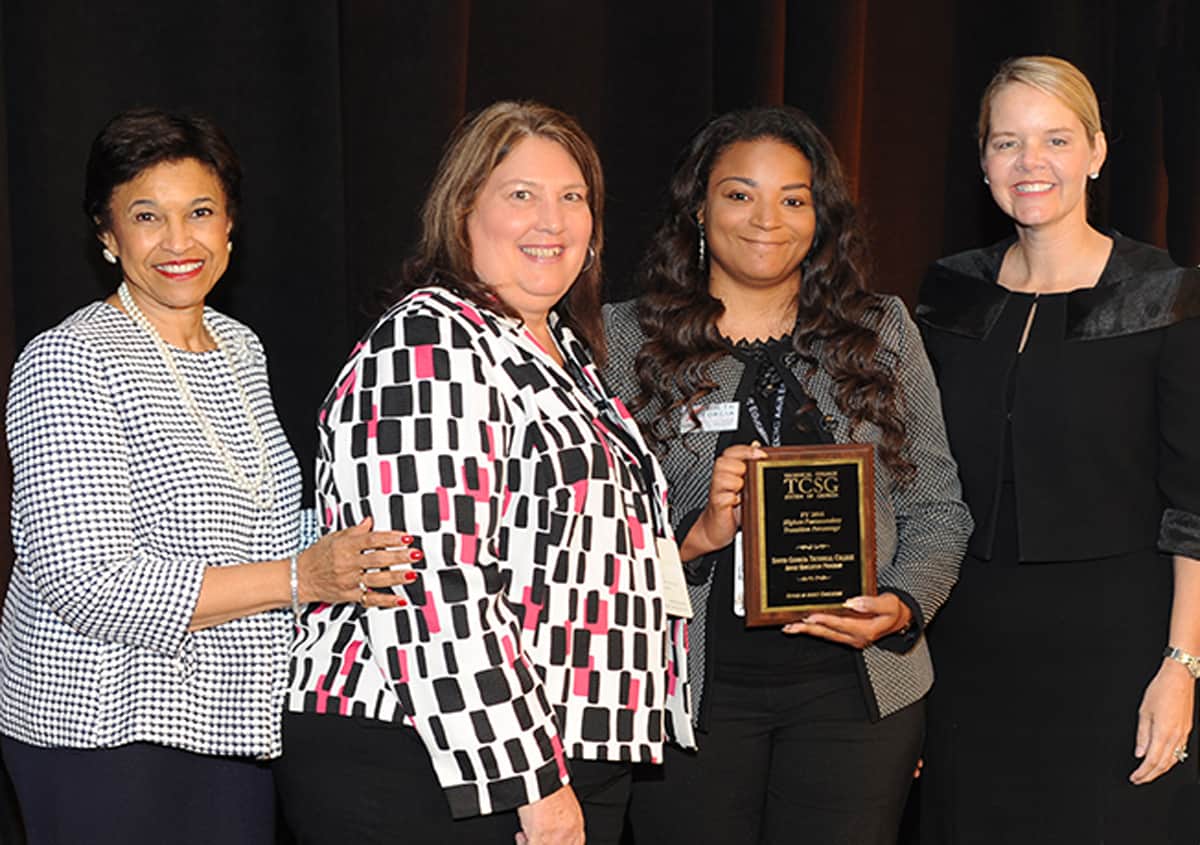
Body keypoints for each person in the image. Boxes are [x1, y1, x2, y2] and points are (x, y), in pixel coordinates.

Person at [275, 100, 692, 845]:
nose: (553, 220)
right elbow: (428, 583)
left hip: (561, 751)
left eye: (573, 198)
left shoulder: (560, 350)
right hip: (431, 761)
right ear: (463, 209)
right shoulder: (428, 344)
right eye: (521, 194)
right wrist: (531, 781)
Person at [0, 109, 415, 845]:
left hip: (234, 724)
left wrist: (375, 535)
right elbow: (87, 580)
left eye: (199, 212)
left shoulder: (238, 346)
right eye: (145, 216)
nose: (178, 241)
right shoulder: (69, 361)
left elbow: (266, 518)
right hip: (105, 732)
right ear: (106, 234)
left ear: (230, 225)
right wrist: (300, 577)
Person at [602, 106, 972, 844]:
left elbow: (939, 508)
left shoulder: (882, 330)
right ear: (698, 207)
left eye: (793, 198)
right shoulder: (622, 338)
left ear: (820, 216)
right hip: (690, 700)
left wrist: (900, 606)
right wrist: (694, 536)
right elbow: (592, 537)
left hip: (857, 700)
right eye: (740, 194)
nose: (766, 218)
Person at [917, 55, 1200, 844]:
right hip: (967, 650)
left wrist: (1183, 666)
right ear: (983, 161)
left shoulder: (1162, 294)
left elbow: (1195, 505)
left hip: (1118, 651)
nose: (1030, 163)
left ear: (1098, 152)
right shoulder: (948, 295)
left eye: (1055, 139)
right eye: (1008, 142)